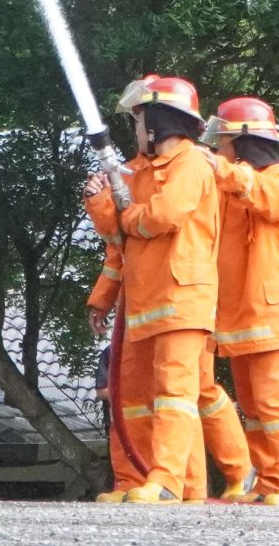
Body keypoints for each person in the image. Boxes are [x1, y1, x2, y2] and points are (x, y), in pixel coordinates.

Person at [84, 75, 221, 503]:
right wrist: (99, 200)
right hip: (143, 302)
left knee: (174, 394)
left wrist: (127, 217)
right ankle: (141, 481)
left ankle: (167, 481)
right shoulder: (137, 170)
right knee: (133, 396)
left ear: (159, 122)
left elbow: (165, 215)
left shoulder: (191, 163)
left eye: (140, 120)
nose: (137, 129)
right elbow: (118, 238)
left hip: (181, 299)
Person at [204, 95, 279, 506]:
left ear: (243, 144)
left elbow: (255, 188)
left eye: (224, 142)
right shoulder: (234, 192)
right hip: (242, 317)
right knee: (254, 408)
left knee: (276, 404)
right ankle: (270, 481)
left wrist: (216, 167)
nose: (219, 150)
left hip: (274, 316)